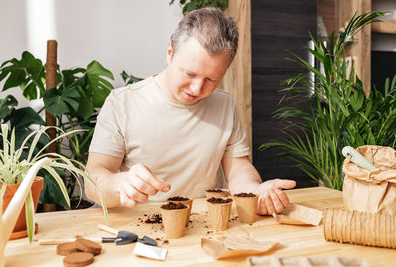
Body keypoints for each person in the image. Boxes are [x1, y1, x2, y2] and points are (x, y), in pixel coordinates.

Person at [85, 7, 296, 215]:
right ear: (170, 52)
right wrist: (119, 184)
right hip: (134, 227)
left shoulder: (224, 105)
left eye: (211, 79)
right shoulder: (122, 103)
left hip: (199, 225)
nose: (196, 89)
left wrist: (255, 192)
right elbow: (92, 182)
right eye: (189, 73)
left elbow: (239, 170)